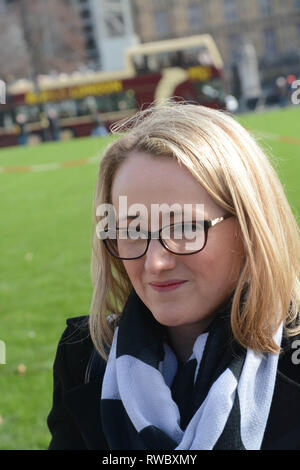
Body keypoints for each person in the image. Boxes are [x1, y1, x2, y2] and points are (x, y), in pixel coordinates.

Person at [47, 102, 300, 450]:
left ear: (249, 226)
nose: (155, 262)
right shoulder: (85, 359)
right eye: (132, 231)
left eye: (184, 228)